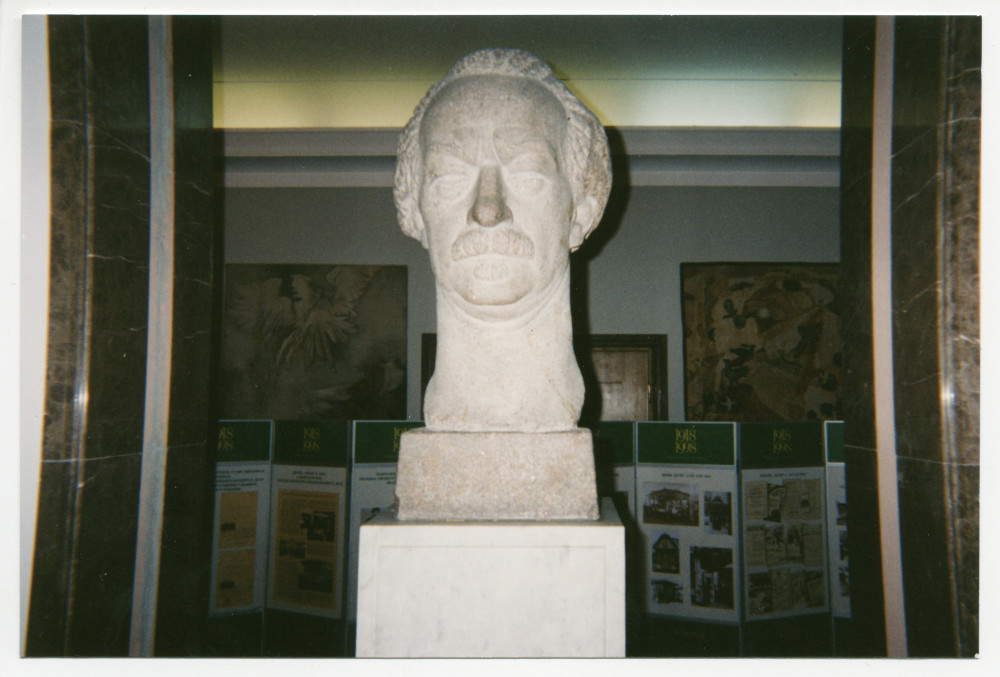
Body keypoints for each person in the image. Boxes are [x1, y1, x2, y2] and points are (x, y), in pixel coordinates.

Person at [394, 48, 612, 432]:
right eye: (448, 177)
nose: (488, 210)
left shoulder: (497, 211)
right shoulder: (482, 211)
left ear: (579, 213)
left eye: (528, 174)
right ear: (414, 214)